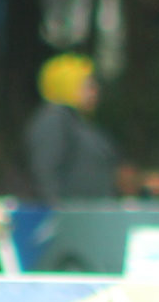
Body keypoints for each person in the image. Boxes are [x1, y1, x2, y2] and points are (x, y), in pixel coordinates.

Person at [25, 54, 125, 203]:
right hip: (73, 214)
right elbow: (45, 172)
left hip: (90, 212)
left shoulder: (78, 122)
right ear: (67, 85)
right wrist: (58, 210)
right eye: (88, 86)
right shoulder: (54, 121)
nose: (95, 92)